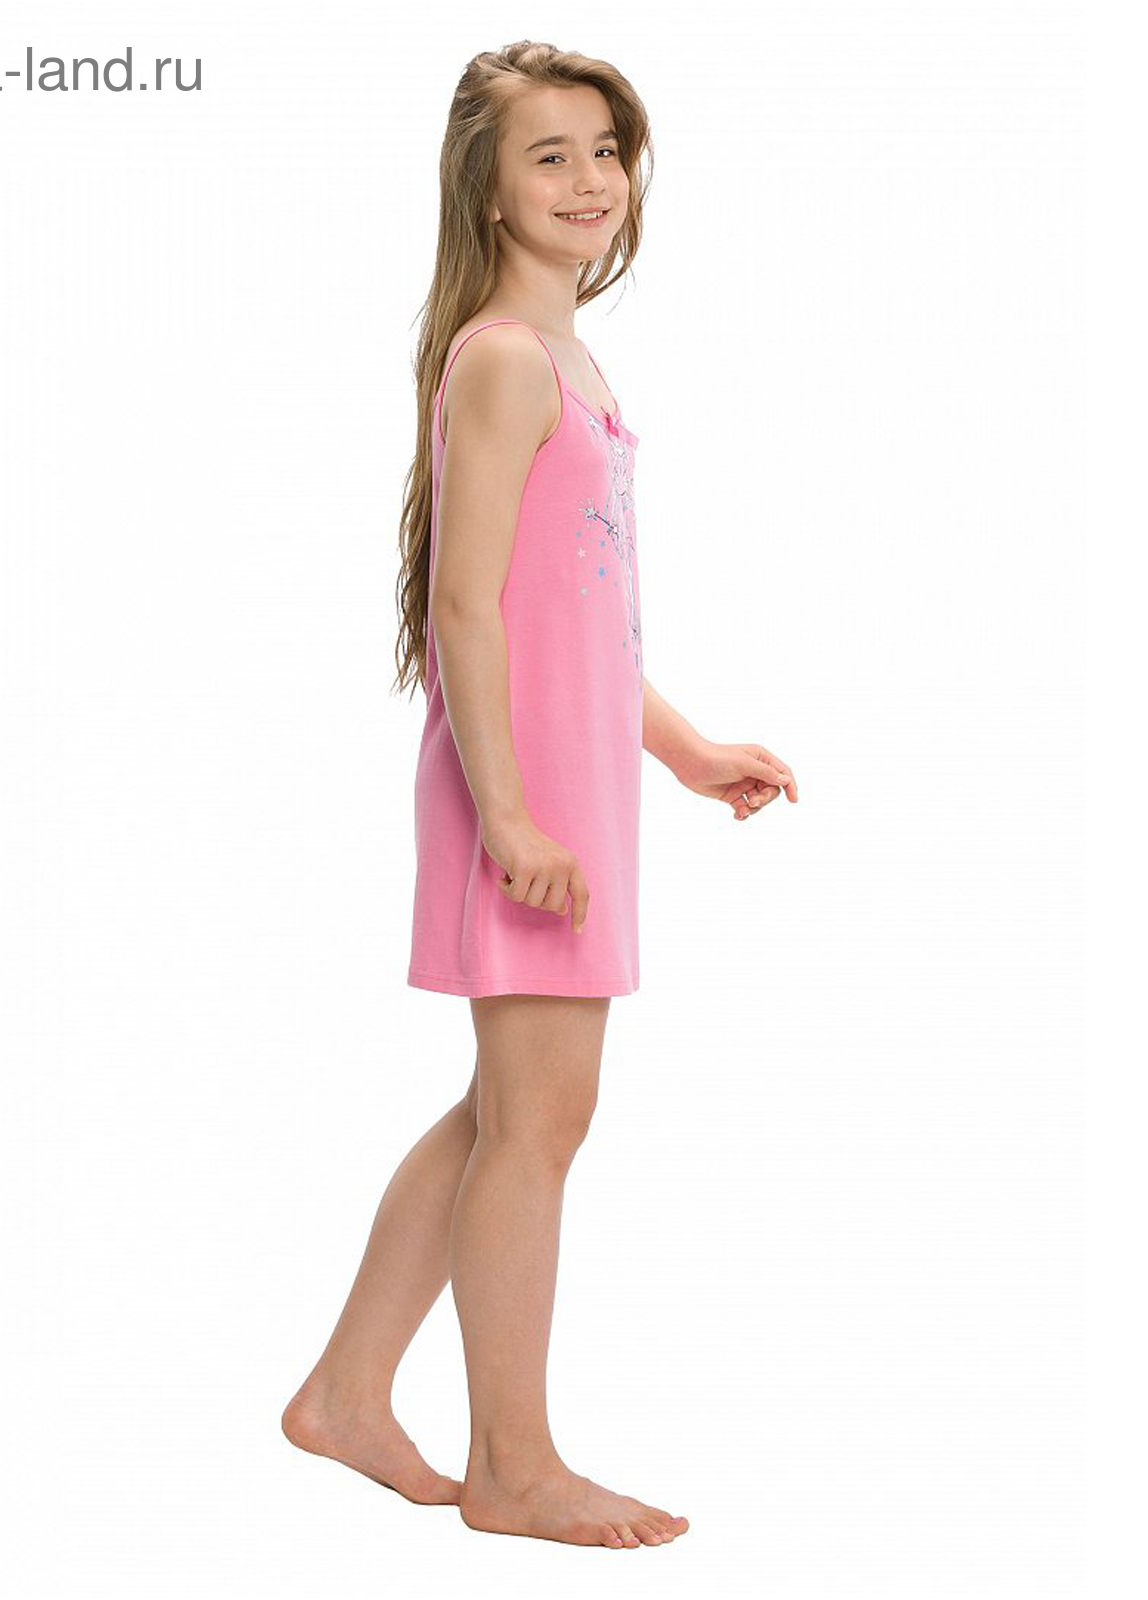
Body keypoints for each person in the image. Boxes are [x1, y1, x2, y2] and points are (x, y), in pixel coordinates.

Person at [282, 40, 798, 1551]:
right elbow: (466, 608)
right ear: (490, 192)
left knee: (509, 1112)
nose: (588, 180)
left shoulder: (568, 362)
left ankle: (347, 1391)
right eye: (549, 156)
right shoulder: (505, 358)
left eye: (605, 150)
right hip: (524, 797)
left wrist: (684, 749)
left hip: (571, 786)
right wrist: (507, 813)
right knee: (540, 1121)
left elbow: (582, 620)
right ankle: (513, 1464)